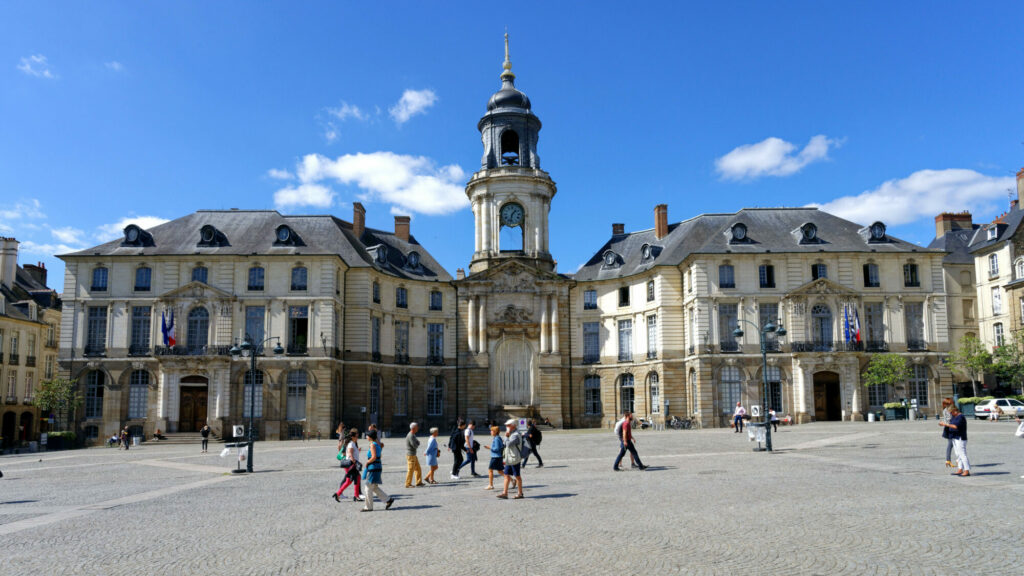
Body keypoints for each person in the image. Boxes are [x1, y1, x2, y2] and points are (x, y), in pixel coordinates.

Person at [361, 430, 395, 511]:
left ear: (370, 437)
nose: (366, 437)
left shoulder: (372, 445)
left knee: (368, 486)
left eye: (367, 435)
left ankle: (368, 507)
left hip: (373, 467)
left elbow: (374, 457)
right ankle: (388, 500)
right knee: (374, 487)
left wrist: (367, 462)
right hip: (377, 467)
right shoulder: (377, 444)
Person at [498, 419, 524, 499]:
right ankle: (505, 493)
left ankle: (520, 493)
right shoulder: (511, 434)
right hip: (509, 458)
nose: (507, 426)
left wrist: (506, 436)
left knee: (517, 476)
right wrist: (506, 436)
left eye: (508, 425)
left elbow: (508, 444)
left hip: (514, 458)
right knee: (506, 475)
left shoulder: (515, 435)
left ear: (514, 425)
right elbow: (504, 443)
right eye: (506, 425)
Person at [940, 405, 970, 477]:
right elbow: (951, 424)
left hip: (960, 437)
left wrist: (945, 424)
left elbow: (955, 426)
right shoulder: (954, 417)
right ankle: (960, 469)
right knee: (958, 454)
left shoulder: (960, 417)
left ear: (955, 410)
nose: (951, 414)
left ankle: (967, 470)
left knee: (962, 454)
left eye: (951, 412)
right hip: (954, 437)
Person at [334, 429, 363, 502]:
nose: (357, 438)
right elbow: (350, 454)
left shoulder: (353, 443)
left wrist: (357, 452)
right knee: (356, 478)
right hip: (351, 465)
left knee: (351, 480)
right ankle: (356, 496)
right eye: (356, 436)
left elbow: (352, 453)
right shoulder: (351, 444)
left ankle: (338, 494)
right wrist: (355, 462)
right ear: (353, 437)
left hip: (351, 465)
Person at [405, 422, 424, 488]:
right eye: (417, 427)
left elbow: (417, 442)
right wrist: (417, 443)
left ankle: (418, 482)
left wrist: (417, 443)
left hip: (413, 455)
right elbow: (415, 445)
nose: (418, 428)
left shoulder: (413, 435)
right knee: (410, 470)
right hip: (411, 455)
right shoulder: (411, 435)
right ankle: (408, 484)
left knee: (418, 469)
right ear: (413, 428)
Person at [486, 425, 504, 490]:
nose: (490, 432)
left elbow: (496, 449)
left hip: (495, 457)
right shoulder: (498, 437)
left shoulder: (496, 439)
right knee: (500, 471)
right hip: (498, 457)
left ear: (495, 432)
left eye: (491, 431)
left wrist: (489, 448)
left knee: (490, 470)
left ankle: (491, 485)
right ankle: (512, 480)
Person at [940, 397, 955, 468]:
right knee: (951, 444)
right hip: (950, 427)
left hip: (948, 427)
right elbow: (949, 419)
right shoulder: (948, 410)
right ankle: (948, 460)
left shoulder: (945, 410)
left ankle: (948, 460)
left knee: (952, 444)